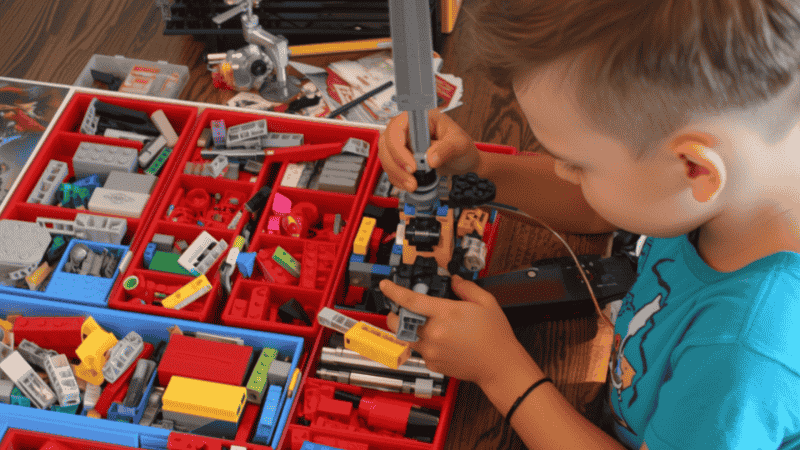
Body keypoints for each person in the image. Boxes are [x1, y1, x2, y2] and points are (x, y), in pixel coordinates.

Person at [377, 0, 800, 448]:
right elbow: (605, 205)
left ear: (695, 169)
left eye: (577, 164)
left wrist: (499, 370)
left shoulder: (743, 357)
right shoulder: (742, 178)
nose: (562, 172)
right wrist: (478, 170)